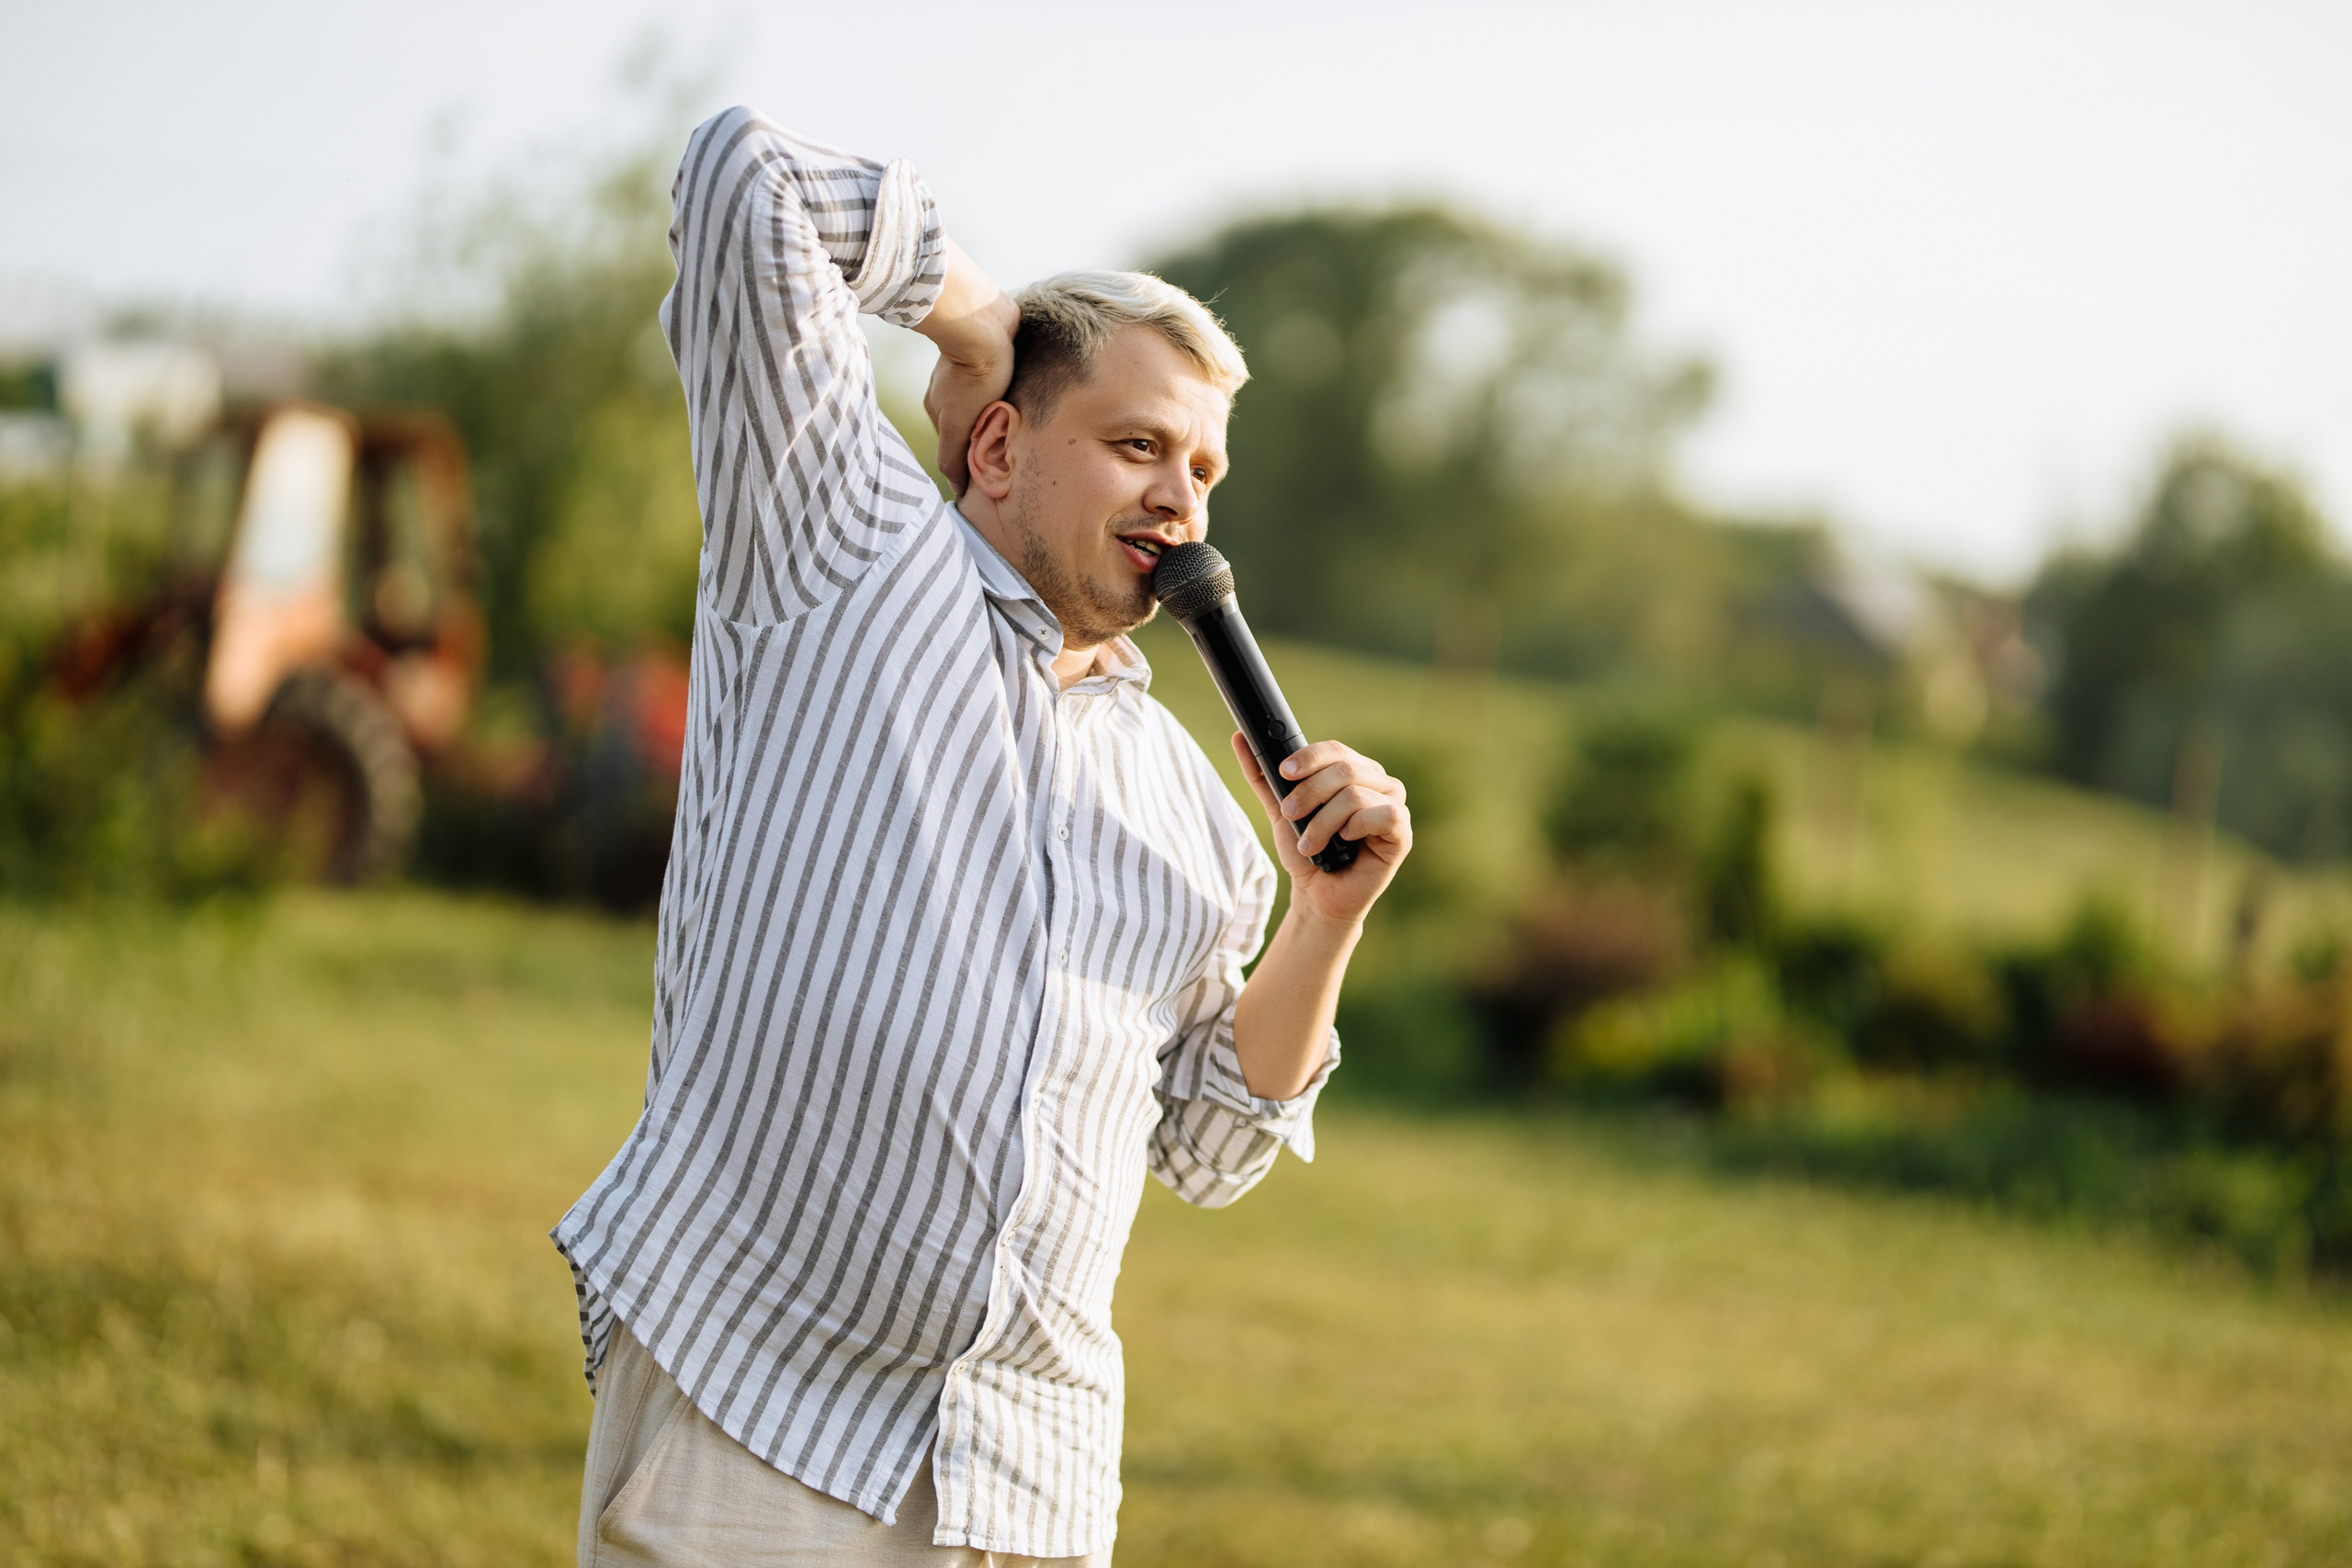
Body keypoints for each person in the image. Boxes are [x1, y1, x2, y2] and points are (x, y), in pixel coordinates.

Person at [553, 105, 1414, 1568]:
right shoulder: (843, 551)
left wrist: (1324, 919)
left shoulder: (1194, 809)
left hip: (1027, 1479)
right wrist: (977, 330)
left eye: (1203, 471)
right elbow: (743, 179)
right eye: (1137, 443)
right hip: (753, 1407)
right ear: (1001, 445)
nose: (1178, 495)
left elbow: (1211, 1146)